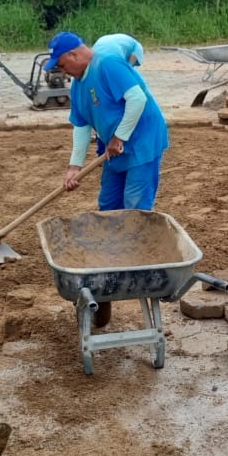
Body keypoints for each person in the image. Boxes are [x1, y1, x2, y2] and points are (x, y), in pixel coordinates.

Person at [45, 31, 169, 329]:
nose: (62, 71)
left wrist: (119, 136)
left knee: (133, 209)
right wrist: (74, 167)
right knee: (107, 208)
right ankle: (109, 279)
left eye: (62, 65)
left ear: (74, 55)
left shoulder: (108, 65)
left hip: (140, 143)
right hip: (114, 152)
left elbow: (137, 99)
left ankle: (137, 271)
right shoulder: (77, 85)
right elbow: (81, 126)